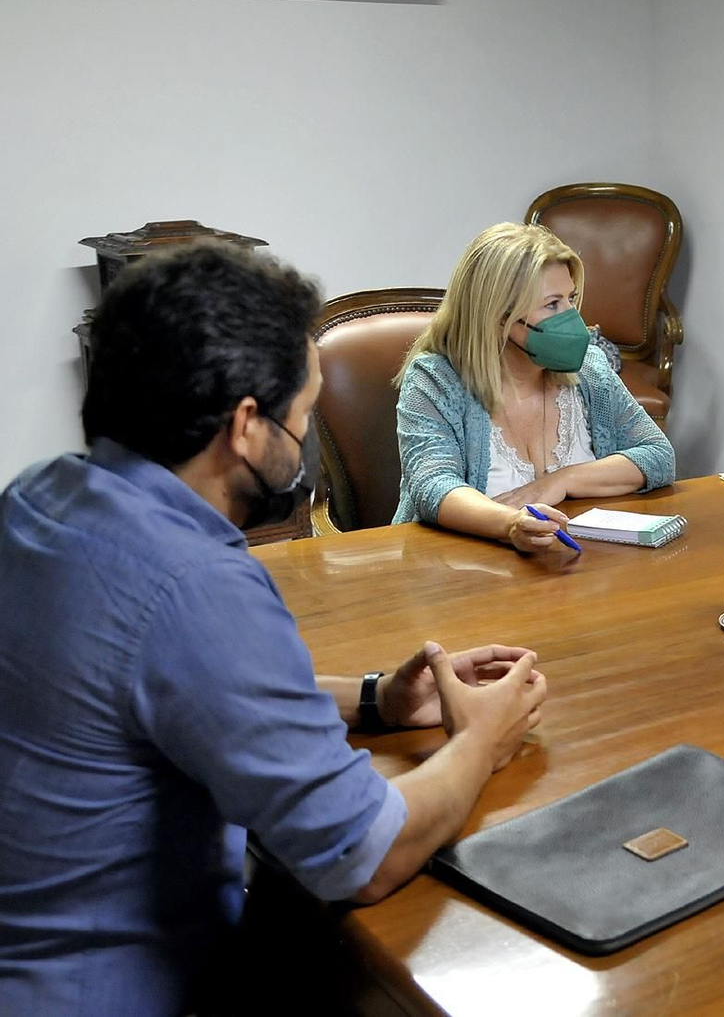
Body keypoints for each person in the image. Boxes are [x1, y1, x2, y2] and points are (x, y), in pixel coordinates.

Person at [0, 244, 549, 1016]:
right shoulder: (194, 581)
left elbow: (176, 688)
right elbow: (365, 853)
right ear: (248, 428)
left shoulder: (42, 496)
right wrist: (480, 743)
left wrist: (373, 700)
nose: (310, 435)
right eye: (306, 410)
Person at [393, 222, 675, 551]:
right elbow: (433, 487)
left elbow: (658, 457)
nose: (573, 319)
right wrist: (510, 525)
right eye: (552, 304)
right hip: (457, 574)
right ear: (498, 315)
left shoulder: (588, 369)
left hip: (572, 569)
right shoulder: (434, 381)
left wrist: (562, 480)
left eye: (570, 299)